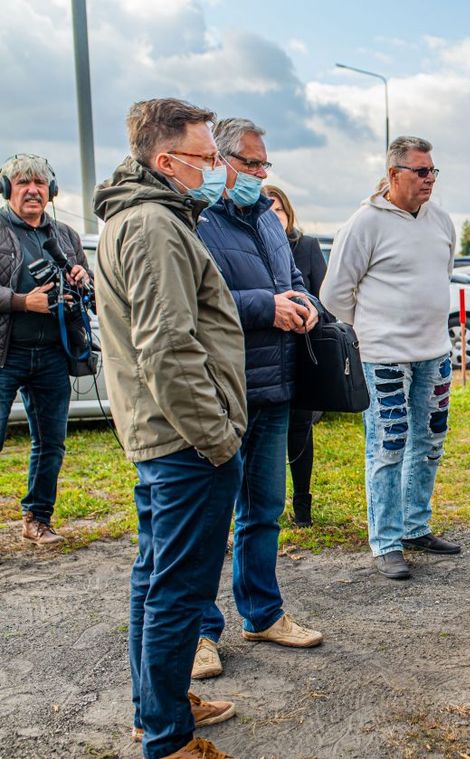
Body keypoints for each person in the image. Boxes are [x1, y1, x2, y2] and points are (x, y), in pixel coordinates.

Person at [93, 97, 244, 759]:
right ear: (165, 161)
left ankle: (156, 706)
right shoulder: (154, 224)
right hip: (185, 442)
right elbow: (167, 347)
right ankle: (168, 738)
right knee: (178, 590)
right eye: (207, 157)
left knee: (156, 580)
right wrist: (215, 436)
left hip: (163, 436)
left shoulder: (142, 216)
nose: (218, 168)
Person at [191, 118, 325, 682]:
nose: (261, 175)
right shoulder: (195, 220)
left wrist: (305, 302)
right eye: (251, 164)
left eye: (265, 165)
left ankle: (262, 612)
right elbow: (205, 299)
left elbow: (293, 276)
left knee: (263, 511)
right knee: (207, 520)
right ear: (219, 163)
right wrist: (267, 306)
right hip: (223, 391)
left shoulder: (268, 219)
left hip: (274, 389)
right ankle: (197, 632)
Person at [321, 135, 459, 581]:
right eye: (421, 171)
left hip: (434, 354)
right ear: (394, 174)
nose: (430, 179)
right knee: (388, 446)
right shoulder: (364, 223)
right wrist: (371, 332)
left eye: (433, 170)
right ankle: (386, 540)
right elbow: (334, 293)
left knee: (430, 443)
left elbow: (442, 273)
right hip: (384, 359)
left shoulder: (440, 220)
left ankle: (416, 526)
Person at [0, 154, 91, 546]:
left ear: (51, 191)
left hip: (52, 353)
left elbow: (86, 293)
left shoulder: (67, 236)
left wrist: (81, 283)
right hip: (5, 354)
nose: (32, 191)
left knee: (51, 442)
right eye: (23, 183)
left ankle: (38, 518)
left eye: (39, 184)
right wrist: (22, 302)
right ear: (8, 190)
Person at [264, 183, 327, 528]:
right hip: (263, 357)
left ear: (288, 214)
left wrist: (311, 310)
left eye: (279, 211)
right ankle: (266, 504)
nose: (273, 218)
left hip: (302, 352)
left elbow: (322, 295)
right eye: (267, 211)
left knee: (300, 429)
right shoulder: (254, 248)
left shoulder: (306, 246)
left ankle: (303, 503)